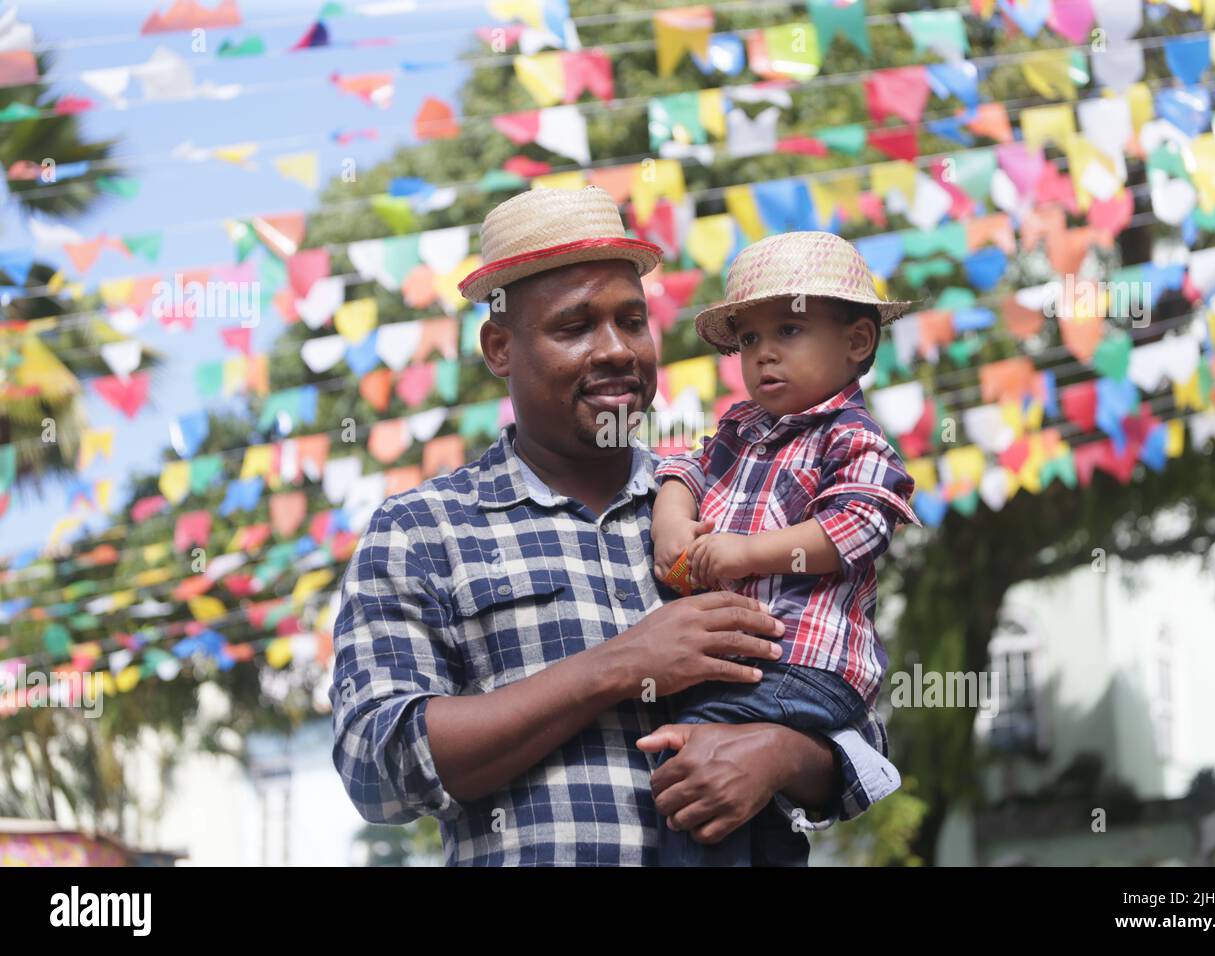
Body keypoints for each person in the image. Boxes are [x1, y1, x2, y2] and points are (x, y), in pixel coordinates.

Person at [330, 187, 901, 866]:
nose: (616, 351)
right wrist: (620, 666)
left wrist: (778, 755)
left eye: (632, 321)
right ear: (500, 348)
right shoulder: (423, 530)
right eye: (575, 327)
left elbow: (859, 733)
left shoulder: (731, 505)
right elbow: (377, 766)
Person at [651, 231, 921, 866]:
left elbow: (859, 525)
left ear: (857, 342)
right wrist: (671, 512)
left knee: (694, 753)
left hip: (802, 664)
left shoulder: (852, 437)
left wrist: (748, 553)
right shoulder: (739, 429)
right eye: (749, 339)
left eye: (789, 332)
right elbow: (685, 470)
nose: (764, 355)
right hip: (754, 665)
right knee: (754, 803)